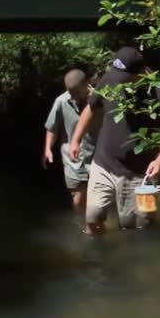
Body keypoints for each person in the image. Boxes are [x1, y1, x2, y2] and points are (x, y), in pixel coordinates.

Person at [69, 47, 160, 235]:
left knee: (135, 228)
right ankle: (98, 256)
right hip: (104, 163)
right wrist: (76, 139)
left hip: (138, 173)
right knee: (92, 219)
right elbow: (91, 108)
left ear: (140, 74)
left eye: (124, 78)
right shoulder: (110, 81)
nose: (118, 82)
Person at [43, 68, 100, 218]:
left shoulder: (100, 99)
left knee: (99, 196)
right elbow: (52, 127)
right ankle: (81, 223)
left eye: (76, 91)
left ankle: (96, 222)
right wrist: (48, 149)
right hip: (74, 159)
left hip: (97, 155)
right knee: (78, 197)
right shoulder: (61, 101)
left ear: (86, 84)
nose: (73, 95)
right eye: (70, 92)